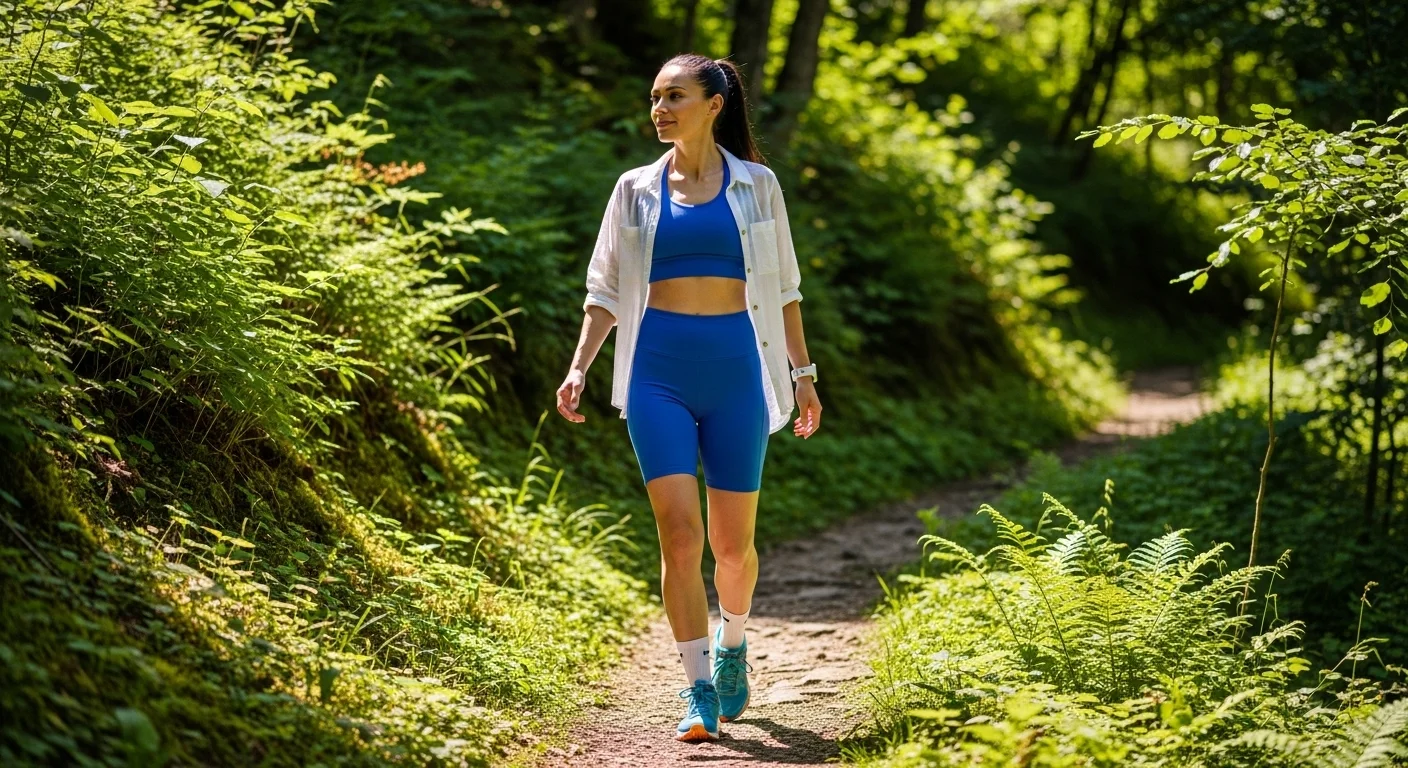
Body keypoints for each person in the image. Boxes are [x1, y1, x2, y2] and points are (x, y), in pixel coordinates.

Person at [555, 52, 823, 742]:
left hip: (737, 372)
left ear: (714, 104)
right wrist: (581, 365)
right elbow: (605, 290)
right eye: (654, 97)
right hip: (657, 375)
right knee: (680, 535)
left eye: (674, 95)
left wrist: (803, 374)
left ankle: (734, 647)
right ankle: (698, 685)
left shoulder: (758, 186)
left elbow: (786, 290)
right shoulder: (634, 190)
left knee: (733, 549)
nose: (660, 108)